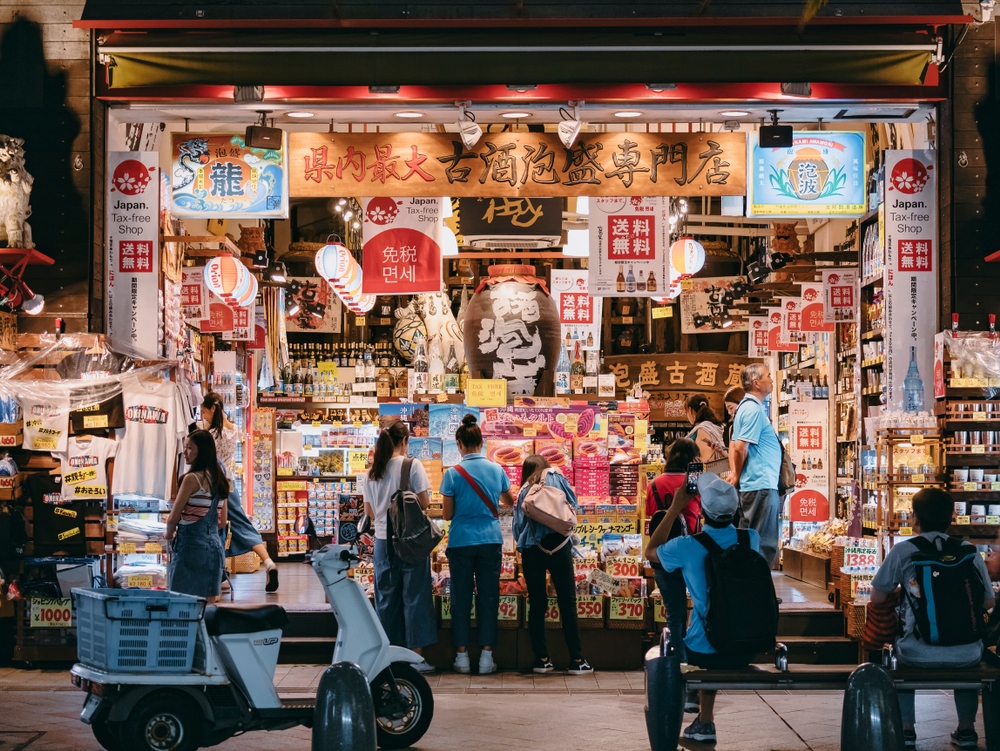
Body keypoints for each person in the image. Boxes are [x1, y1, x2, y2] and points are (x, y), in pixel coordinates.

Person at [871, 488, 995, 750]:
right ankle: (967, 729)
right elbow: (987, 601)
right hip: (967, 654)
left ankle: (906, 729)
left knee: (898, 650)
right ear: (951, 517)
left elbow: (877, 599)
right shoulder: (969, 551)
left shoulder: (903, 551)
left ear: (914, 518)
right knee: (967, 640)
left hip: (916, 654)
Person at [647, 472, 762, 746]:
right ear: (735, 509)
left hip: (706, 648)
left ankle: (694, 720)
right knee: (717, 632)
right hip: (748, 643)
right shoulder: (752, 539)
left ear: (703, 510)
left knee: (702, 638)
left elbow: (651, 551)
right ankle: (705, 720)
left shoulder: (687, 547)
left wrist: (676, 507)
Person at [439, 415, 515, 675]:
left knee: (460, 597)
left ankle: (461, 658)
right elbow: (508, 500)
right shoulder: (497, 469)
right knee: (489, 597)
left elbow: (447, 515)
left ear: (459, 444)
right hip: (491, 540)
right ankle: (486, 658)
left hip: (460, 542)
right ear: (481, 443)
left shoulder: (452, 474)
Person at [362, 420, 437, 674]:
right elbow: (425, 503)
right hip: (410, 541)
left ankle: (389, 656)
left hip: (383, 542)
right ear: (404, 441)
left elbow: (369, 512)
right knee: (415, 595)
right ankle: (416, 659)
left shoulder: (372, 472)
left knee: (385, 597)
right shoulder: (411, 465)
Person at [514, 454, 592, 675]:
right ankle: (576, 660)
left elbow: (519, 528)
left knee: (537, 603)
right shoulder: (557, 476)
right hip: (559, 546)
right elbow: (573, 505)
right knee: (567, 601)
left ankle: (542, 659)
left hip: (532, 548)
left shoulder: (523, 490)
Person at [644, 437, 702, 714]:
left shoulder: (653, 484)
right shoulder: (698, 483)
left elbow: (649, 524)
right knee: (698, 612)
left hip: (662, 555)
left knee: (674, 616)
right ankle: (694, 677)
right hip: (691, 552)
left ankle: (676, 670)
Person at [200, 394, 279, 593]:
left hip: (211, 486)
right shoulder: (234, 430)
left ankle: (217, 575)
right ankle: (269, 562)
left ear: (213, 408)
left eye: (204, 411)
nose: (203, 415)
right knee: (242, 524)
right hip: (229, 485)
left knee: (215, 529)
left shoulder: (208, 434)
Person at [728, 363, 782, 568]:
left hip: (757, 484)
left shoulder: (747, 407)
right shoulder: (751, 408)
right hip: (759, 484)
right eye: (768, 376)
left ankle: (750, 590)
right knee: (763, 544)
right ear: (756, 383)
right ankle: (757, 593)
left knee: (752, 541)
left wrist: (736, 474)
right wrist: (737, 476)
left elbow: (734, 444)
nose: (771, 379)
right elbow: (740, 448)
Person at [165, 430, 228, 603]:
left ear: (202, 450)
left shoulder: (192, 479)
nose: (185, 452)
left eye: (189, 448)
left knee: (182, 603)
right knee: (207, 606)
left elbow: (173, 517)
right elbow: (222, 521)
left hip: (190, 548)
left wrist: (169, 534)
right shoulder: (221, 481)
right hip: (214, 548)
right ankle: (205, 632)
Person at [684, 394, 727, 465]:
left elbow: (707, 461)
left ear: (691, 410)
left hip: (702, 475)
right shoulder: (709, 427)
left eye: (686, 411)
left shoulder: (703, 430)